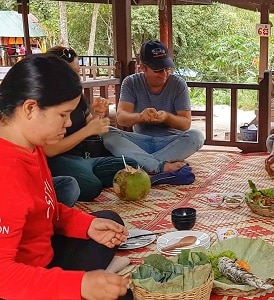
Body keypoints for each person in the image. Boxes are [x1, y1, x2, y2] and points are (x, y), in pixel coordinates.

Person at [0, 54, 131, 299]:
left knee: (107, 221)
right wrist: (78, 285)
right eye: (63, 115)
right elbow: (2, 276)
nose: (69, 122)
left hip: (43, 256)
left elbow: (47, 210)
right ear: (30, 108)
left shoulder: (31, 144)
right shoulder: (5, 173)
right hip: (15, 281)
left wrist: (86, 225)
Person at [44, 46, 138, 203]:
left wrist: (99, 114)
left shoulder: (76, 96)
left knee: (130, 165)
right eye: (71, 73)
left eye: (78, 71)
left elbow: (91, 127)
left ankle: (84, 173)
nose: (77, 77)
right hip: (58, 159)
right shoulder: (45, 102)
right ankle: (72, 180)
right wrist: (87, 131)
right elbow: (49, 150)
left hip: (84, 158)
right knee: (91, 187)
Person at [102, 40, 205, 174]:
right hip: (140, 142)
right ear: (143, 68)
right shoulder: (131, 82)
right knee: (106, 132)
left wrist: (167, 117)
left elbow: (185, 124)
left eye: (167, 68)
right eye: (158, 70)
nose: (164, 73)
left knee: (197, 136)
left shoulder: (178, 84)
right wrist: (141, 117)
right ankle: (160, 166)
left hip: (171, 143)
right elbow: (121, 118)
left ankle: (143, 164)